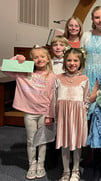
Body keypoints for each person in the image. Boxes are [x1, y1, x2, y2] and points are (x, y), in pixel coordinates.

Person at [1, 46, 55, 180]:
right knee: (31, 140)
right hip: (29, 113)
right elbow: (4, 68)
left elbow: (53, 97)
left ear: (48, 59)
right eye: (36, 57)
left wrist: (50, 115)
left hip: (44, 113)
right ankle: (32, 164)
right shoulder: (24, 72)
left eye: (42, 56)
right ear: (32, 60)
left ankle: (40, 165)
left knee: (42, 141)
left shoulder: (53, 77)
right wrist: (17, 59)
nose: (39, 59)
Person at [55, 48, 90, 181]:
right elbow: (54, 98)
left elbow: (86, 99)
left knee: (76, 144)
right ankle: (65, 170)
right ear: (64, 61)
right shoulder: (58, 78)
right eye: (69, 60)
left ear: (80, 62)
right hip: (63, 117)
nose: (72, 63)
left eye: (75, 60)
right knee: (64, 143)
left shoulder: (84, 79)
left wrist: (82, 115)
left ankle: (75, 170)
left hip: (78, 117)